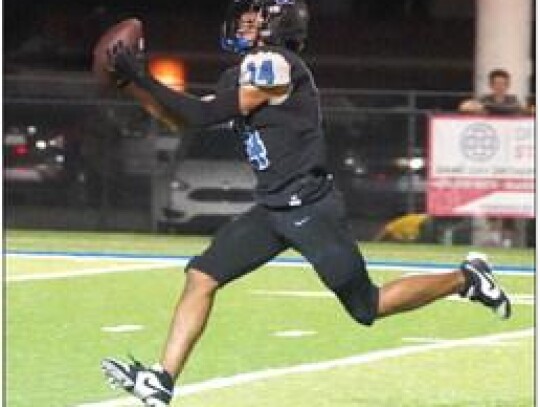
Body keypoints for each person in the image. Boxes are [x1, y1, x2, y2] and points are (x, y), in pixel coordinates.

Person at [101, 1, 511, 405]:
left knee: (368, 306)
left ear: (275, 31)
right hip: (272, 207)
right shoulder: (241, 73)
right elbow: (184, 117)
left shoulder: (277, 65)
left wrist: (144, 76)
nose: (243, 28)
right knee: (202, 276)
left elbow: (207, 115)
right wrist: (132, 85)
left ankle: (467, 279)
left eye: (253, 22)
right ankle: (162, 380)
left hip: (310, 207)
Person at [458, 69, 526, 115]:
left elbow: (516, 108)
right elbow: (464, 107)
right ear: (490, 85)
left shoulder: (513, 99)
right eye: (496, 83)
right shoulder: (484, 99)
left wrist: (486, 108)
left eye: (503, 84)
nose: (500, 87)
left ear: (508, 85)